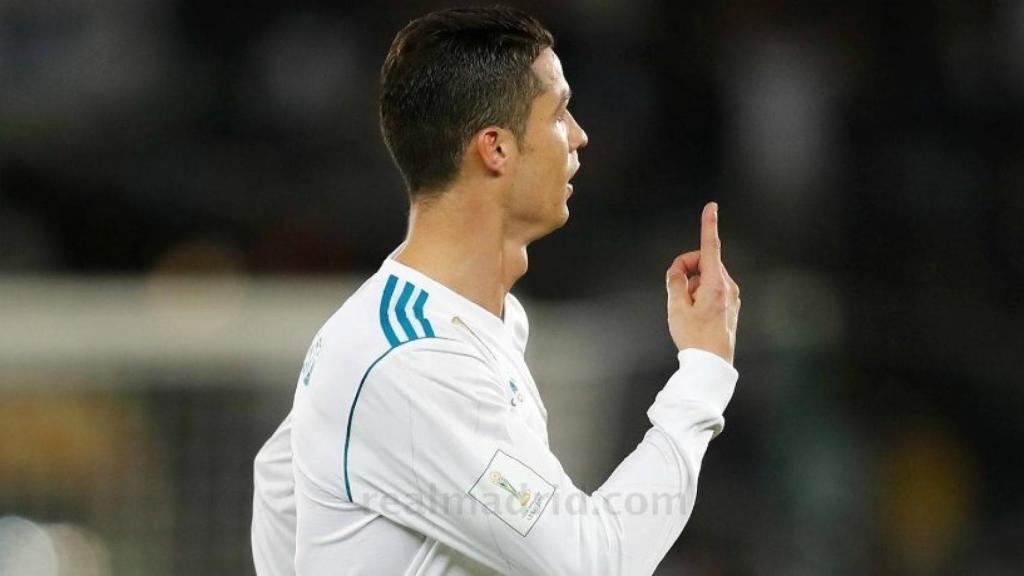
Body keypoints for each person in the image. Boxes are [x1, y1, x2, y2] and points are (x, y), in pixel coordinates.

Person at [251, 6, 741, 575]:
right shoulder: (411, 357)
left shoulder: (463, 323)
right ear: (496, 148)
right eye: (559, 113)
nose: (580, 136)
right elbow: (592, 564)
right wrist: (703, 372)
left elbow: (279, 481)